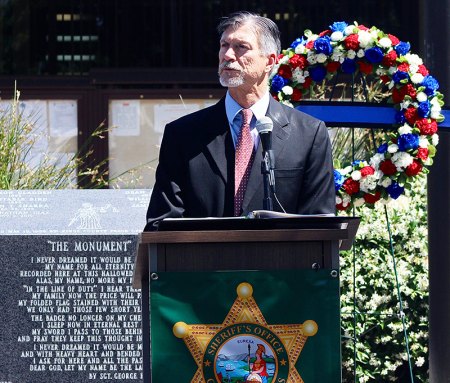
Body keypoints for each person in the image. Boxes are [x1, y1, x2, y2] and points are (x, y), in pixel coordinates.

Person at [144, 11, 335, 231]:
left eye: (240, 47)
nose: (228, 55)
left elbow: (320, 226)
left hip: (281, 263)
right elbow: (163, 223)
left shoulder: (309, 134)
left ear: (269, 61)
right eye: (224, 45)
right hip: (203, 263)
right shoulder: (182, 135)